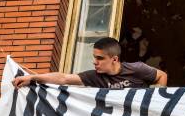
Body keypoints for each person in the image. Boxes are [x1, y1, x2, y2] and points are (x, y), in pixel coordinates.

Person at [12, 37, 167, 89]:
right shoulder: (95, 77)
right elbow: (63, 78)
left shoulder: (137, 69)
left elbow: (162, 76)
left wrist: (156, 101)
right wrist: (32, 78)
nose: (95, 62)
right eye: (94, 57)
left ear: (114, 59)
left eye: (100, 59)